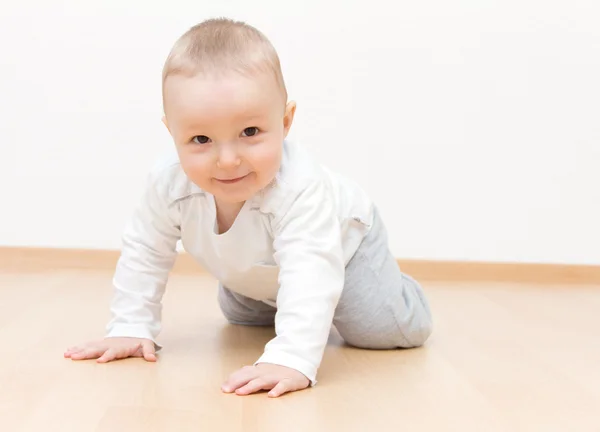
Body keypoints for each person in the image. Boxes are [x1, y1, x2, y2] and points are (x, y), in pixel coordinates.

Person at [64, 17, 433, 398]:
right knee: (244, 317)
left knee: (376, 330)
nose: (227, 160)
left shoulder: (299, 188)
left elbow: (310, 266)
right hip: (257, 270)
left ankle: (394, 290)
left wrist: (291, 357)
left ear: (285, 121)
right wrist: (130, 325)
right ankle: (284, 305)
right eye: (201, 138)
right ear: (171, 132)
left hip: (340, 249)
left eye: (250, 133)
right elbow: (145, 250)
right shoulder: (168, 184)